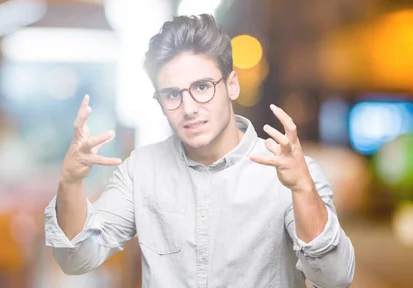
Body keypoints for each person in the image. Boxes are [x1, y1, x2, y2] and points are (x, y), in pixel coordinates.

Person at [44, 14, 355, 288]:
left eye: (202, 87)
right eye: (172, 94)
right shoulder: (142, 170)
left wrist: (301, 188)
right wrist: (70, 182)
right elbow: (77, 259)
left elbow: (335, 279)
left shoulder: (289, 172)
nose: (189, 108)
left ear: (232, 85)